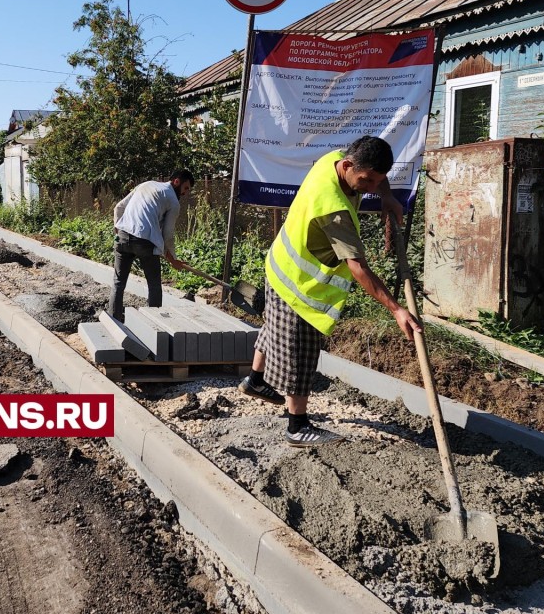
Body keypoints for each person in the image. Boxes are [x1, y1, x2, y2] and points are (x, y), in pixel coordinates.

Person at [238, 136, 422, 446]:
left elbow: (377, 175)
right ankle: (297, 426)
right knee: (301, 353)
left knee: (272, 327)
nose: (371, 186)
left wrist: (387, 197)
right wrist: (397, 309)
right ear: (349, 166)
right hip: (299, 284)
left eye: (377, 181)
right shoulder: (334, 208)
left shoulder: (334, 159)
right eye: (368, 181)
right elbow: (358, 269)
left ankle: (255, 381)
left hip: (279, 263)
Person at [108, 169, 195, 322]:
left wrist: (118, 230)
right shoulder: (173, 202)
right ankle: (153, 323)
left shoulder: (146, 185)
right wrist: (173, 259)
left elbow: (118, 208)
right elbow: (168, 235)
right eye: (186, 188)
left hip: (122, 237)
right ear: (177, 181)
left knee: (118, 283)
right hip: (145, 242)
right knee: (154, 285)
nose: (185, 193)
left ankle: (114, 319)